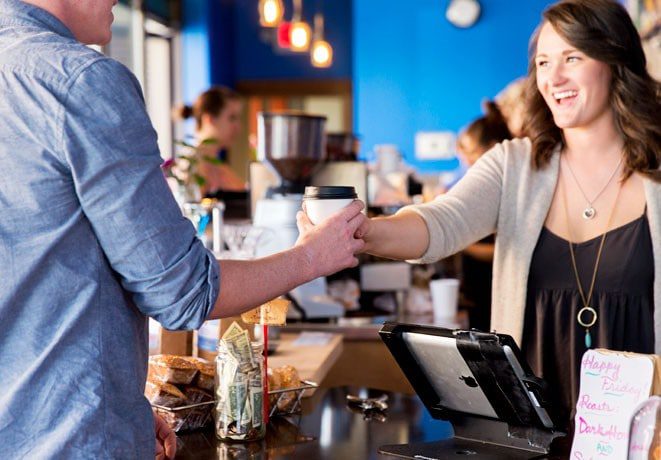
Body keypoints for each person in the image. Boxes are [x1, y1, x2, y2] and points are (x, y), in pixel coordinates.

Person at [0, 1, 366, 458]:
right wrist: (312, 255)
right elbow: (184, 291)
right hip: (71, 439)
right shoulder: (79, 81)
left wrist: (121, 405)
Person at [310, 0, 660, 428]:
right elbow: (441, 222)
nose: (554, 77)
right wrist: (361, 232)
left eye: (573, 57)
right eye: (544, 62)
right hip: (532, 432)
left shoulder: (655, 179)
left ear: (615, 61)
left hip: (642, 434)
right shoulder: (513, 167)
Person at [455, 101, 512, 332]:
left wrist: (460, 245)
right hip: (478, 295)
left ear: (493, 148)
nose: (468, 161)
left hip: (495, 298)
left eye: (472, 153)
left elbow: (502, 251)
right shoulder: (487, 187)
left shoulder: (507, 190)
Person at [174, 86, 247, 194]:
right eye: (232, 118)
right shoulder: (192, 164)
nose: (238, 127)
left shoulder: (215, 163)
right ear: (210, 119)